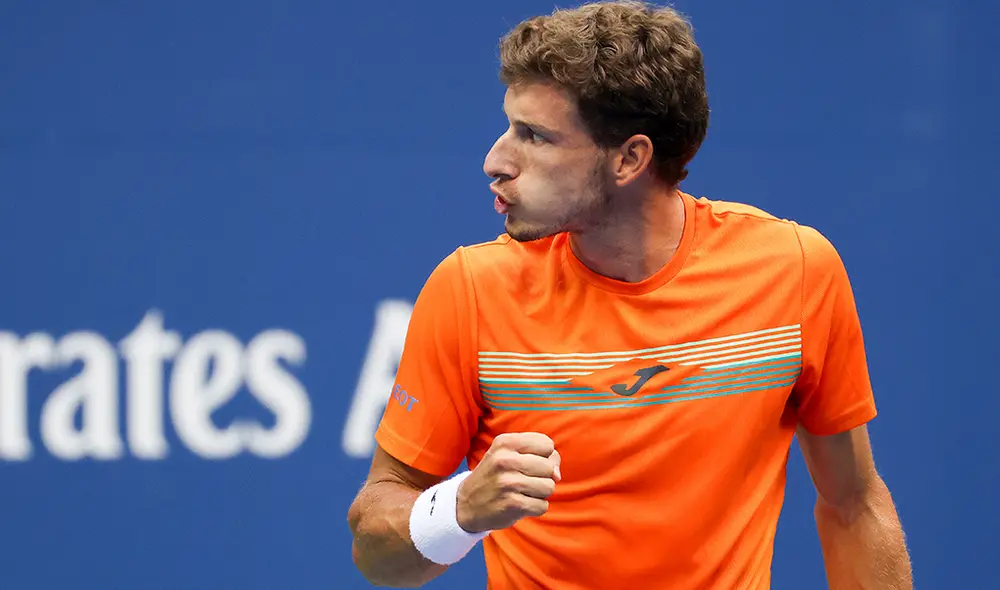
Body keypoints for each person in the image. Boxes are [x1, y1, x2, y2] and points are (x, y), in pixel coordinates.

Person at [347, 1, 913, 588]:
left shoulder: (796, 271)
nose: (496, 160)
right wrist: (457, 511)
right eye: (510, 126)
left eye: (534, 136)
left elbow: (853, 503)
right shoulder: (470, 289)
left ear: (629, 158)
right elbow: (375, 554)